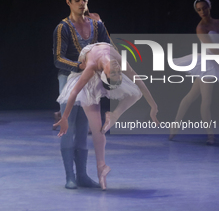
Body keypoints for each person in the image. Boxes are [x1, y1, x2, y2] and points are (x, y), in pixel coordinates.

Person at [54, 42, 159, 190]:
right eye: (117, 73)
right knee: (97, 126)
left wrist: (153, 106)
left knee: (133, 96)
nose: (117, 69)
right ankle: (99, 167)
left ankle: (101, 166)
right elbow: (74, 92)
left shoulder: (96, 67)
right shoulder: (113, 64)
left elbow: (139, 82)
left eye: (115, 73)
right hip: (84, 75)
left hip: (88, 73)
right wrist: (64, 117)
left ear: (105, 74)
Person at [53, 0, 114, 189]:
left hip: (90, 80)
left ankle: (82, 175)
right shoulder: (63, 27)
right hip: (68, 77)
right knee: (68, 126)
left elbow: (108, 47)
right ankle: (70, 176)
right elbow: (58, 58)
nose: (82, 3)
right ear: (69, 2)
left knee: (83, 129)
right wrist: (78, 65)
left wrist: (101, 24)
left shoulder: (96, 25)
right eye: (77, 0)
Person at [169, 0, 219, 145]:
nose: (202, 11)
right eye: (199, 9)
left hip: (218, 60)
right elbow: (213, 49)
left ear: (209, 7)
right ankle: (210, 135)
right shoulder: (200, 28)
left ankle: (174, 125)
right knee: (206, 100)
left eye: (204, 8)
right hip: (207, 62)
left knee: (191, 95)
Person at [53, 5, 102, 129]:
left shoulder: (94, 18)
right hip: (71, 67)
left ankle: (89, 125)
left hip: (90, 65)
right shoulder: (68, 25)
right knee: (68, 96)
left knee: (90, 96)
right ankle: (62, 116)